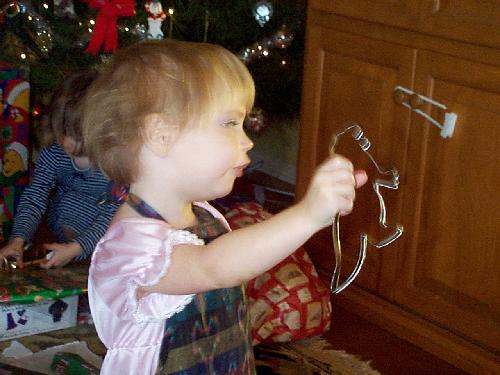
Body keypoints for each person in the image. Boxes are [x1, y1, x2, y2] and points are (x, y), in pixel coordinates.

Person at [83, 39, 368, 375]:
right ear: (160, 135)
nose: (248, 141)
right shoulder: (130, 249)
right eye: (231, 124)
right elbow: (212, 268)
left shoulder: (204, 215)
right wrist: (307, 215)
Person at [0, 69, 120, 269]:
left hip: (106, 238)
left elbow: (115, 214)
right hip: (62, 233)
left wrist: (78, 248)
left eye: (77, 135)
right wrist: (18, 239)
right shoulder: (54, 151)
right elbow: (35, 195)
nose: (66, 142)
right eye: (62, 130)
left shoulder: (114, 160)